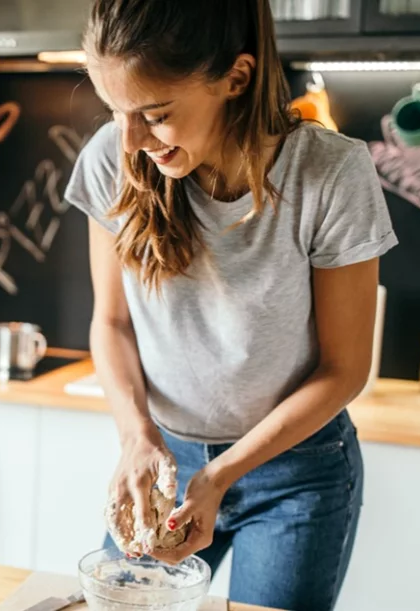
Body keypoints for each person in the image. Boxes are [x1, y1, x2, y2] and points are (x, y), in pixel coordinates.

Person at [63, 1, 397, 610]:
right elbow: (110, 323)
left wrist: (220, 476)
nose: (131, 141)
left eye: (155, 115)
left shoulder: (330, 174)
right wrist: (137, 436)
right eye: (116, 113)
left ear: (235, 79)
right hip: (166, 457)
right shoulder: (113, 157)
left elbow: (344, 370)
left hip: (297, 473)